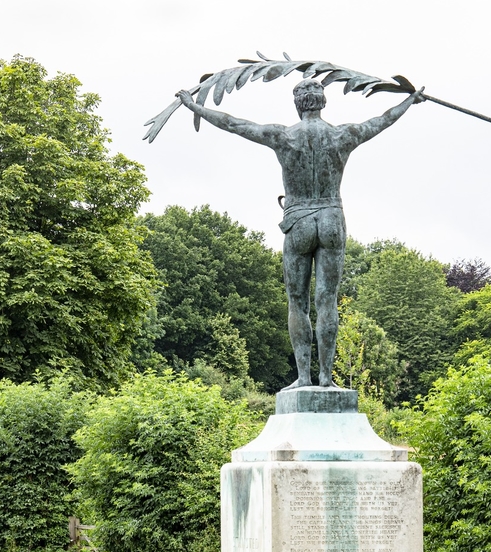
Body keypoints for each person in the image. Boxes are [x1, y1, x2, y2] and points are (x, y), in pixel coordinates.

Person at [176, 81, 423, 389]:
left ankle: (304, 377)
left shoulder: (284, 136)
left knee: (297, 302)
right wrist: (410, 101)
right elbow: (381, 121)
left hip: (299, 221)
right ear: (323, 104)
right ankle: (325, 378)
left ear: (298, 105)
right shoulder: (342, 135)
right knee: (327, 301)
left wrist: (194, 106)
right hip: (331, 217)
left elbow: (234, 124)